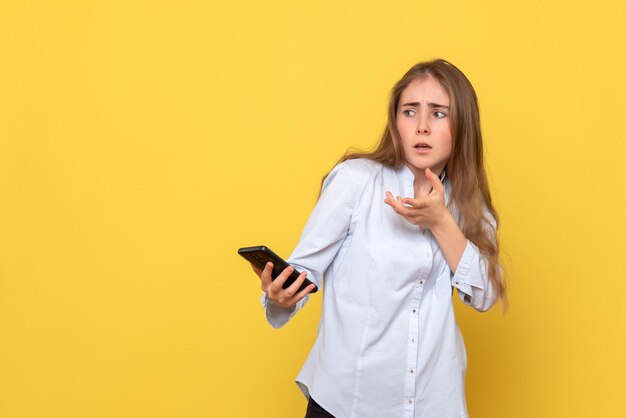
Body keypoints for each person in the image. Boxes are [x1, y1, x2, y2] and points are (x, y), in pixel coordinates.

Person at [250, 58, 507, 418]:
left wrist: (441, 222)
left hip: (433, 402)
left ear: (463, 123)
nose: (421, 127)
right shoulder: (355, 181)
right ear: (395, 121)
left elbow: (486, 295)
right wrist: (281, 296)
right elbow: (302, 271)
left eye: (438, 113)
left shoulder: (468, 203)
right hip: (349, 402)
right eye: (409, 112)